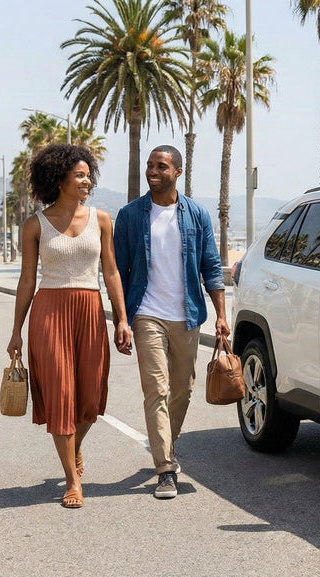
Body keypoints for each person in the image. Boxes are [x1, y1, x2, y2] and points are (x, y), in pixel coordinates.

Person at [6, 144, 133, 510]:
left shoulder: (101, 219)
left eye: (87, 174)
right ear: (60, 180)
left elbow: (110, 272)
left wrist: (121, 318)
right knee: (61, 395)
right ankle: (72, 480)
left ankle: (74, 447)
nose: (87, 180)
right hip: (49, 312)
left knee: (90, 397)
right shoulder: (35, 224)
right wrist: (16, 330)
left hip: (90, 310)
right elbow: (27, 280)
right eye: (79, 175)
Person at [114, 145, 228, 500]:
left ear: (177, 171)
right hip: (146, 312)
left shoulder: (196, 214)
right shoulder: (131, 215)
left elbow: (211, 266)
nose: (152, 171)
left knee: (183, 390)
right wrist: (121, 318)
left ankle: (166, 443)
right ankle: (165, 468)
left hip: (187, 314)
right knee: (157, 389)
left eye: (160, 166)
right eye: (149, 165)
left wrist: (222, 314)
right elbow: (117, 271)